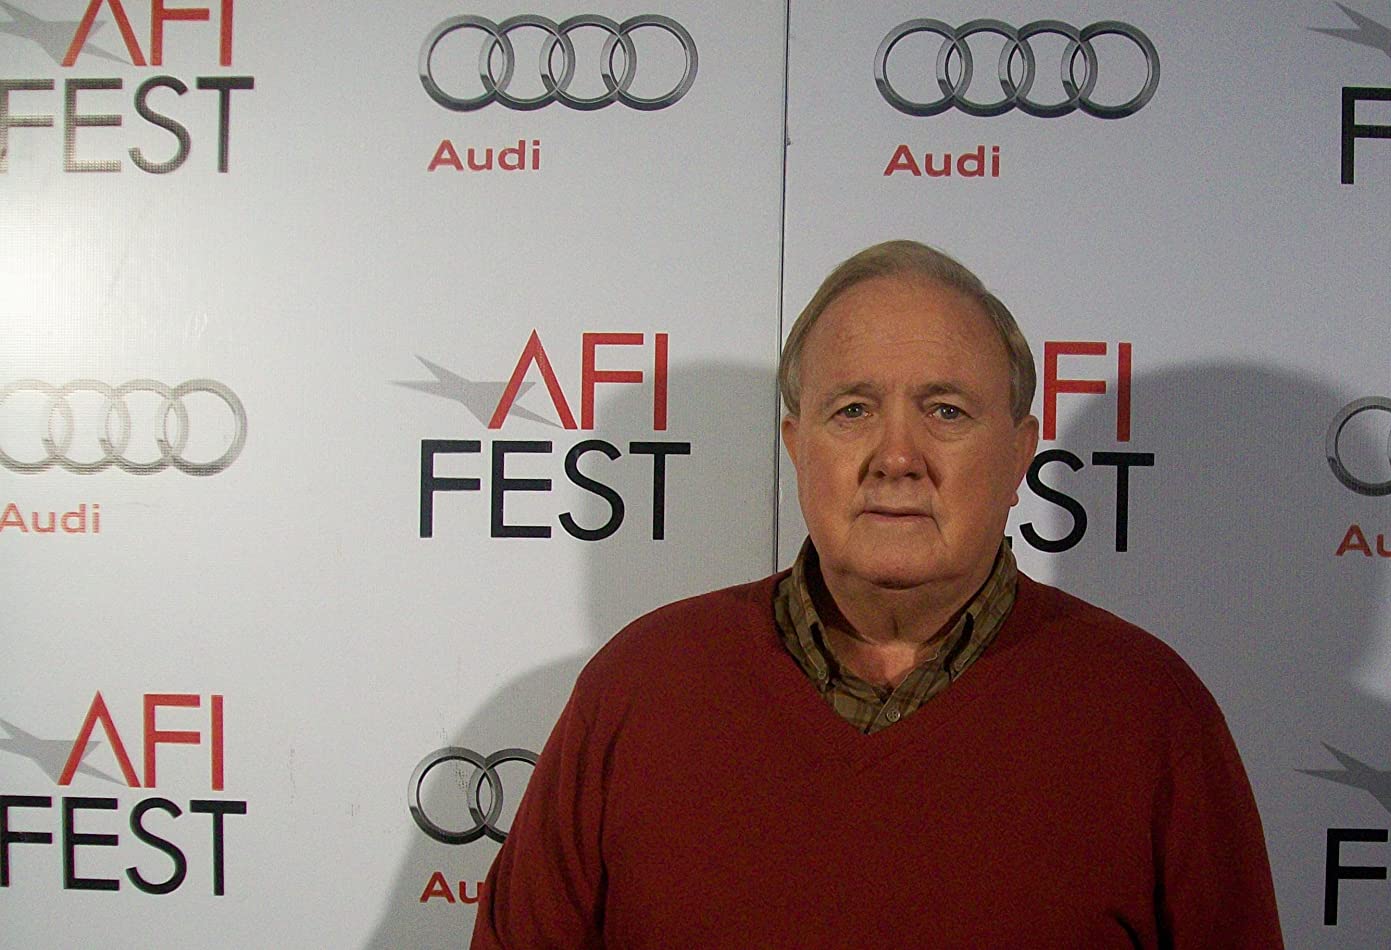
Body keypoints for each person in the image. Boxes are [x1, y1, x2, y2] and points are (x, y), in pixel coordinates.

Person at [471, 240, 1284, 948]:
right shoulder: (641, 687)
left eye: (946, 411)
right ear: (798, 446)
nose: (896, 457)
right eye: (853, 409)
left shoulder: (1149, 712)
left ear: (1018, 455)